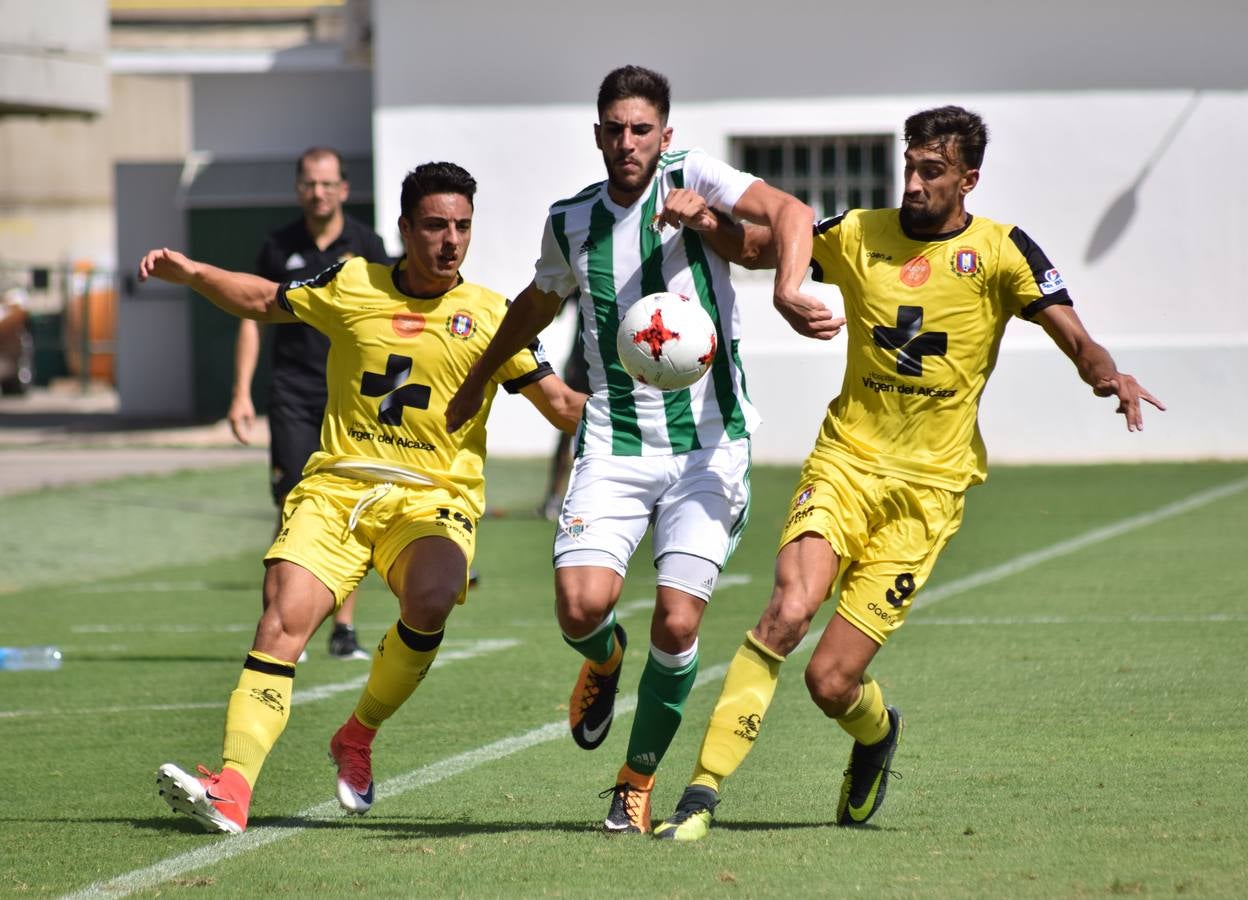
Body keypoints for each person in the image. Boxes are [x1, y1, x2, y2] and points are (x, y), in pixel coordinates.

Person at [652, 105, 1165, 841]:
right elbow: (763, 247)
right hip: (846, 463)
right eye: (910, 166)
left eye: (933, 172)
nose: (915, 183)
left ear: (968, 178)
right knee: (786, 612)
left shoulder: (1000, 251)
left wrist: (1108, 377)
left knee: (829, 681)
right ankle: (700, 795)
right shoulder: (861, 232)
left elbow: (1074, 336)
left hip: (927, 495)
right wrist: (708, 222)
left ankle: (875, 734)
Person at [446, 65, 838, 835]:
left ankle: (636, 779)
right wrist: (480, 376)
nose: (627, 142)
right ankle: (602, 657)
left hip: (707, 451)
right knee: (580, 607)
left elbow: (789, 214)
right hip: (615, 448)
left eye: (641, 129)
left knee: (680, 624)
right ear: (598, 135)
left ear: (665, 134)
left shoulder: (693, 178)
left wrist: (789, 288)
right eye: (614, 129)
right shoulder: (571, 221)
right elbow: (536, 299)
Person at [139, 161, 586, 834]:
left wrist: (654, 410)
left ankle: (357, 734)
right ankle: (231, 786)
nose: (451, 241)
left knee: (433, 597)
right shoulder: (352, 281)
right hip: (338, 489)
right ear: (404, 229)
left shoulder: (494, 313)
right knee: (282, 620)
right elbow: (264, 300)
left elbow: (560, 406)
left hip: (431, 498)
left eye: (463, 227)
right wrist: (195, 274)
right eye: (435, 225)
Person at [229, 146, 390, 660]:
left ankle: (343, 630)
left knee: (353, 507)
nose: (318, 192)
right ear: (299, 188)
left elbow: (390, 319)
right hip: (294, 394)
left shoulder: (367, 245)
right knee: (290, 506)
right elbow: (253, 316)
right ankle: (277, 626)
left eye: (327, 183)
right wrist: (240, 393)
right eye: (309, 183)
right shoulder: (278, 247)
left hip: (353, 398)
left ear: (344, 188)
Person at [538, 292, 591, 521]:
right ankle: (553, 496)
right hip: (579, 364)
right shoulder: (581, 276)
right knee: (567, 430)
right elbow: (555, 312)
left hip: (617, 366)